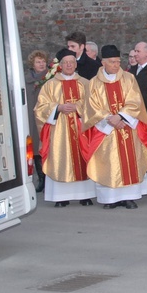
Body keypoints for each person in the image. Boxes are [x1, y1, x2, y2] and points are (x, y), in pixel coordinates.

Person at [84, 45, 147, 209]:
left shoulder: (129, 78)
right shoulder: (94, 83)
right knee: (109, 162)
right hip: (106, 130)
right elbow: (91, 106)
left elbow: (135, 100)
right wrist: (110, 119)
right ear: (103, 63)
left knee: (129, 161)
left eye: (118, 62)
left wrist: (121, 117)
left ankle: (129, 197)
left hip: (127, 126)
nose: (116, 65)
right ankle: (110, 199)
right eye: (112, 62)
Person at [34, 49, 96, 207]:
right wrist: (58, 107)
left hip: (80, 128)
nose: (69, 65)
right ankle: (60, 197)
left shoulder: (85, 83)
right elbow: (40, 108)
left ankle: (85, 195)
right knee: (60, 158)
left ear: (76, 64)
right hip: (59, 130)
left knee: (82, 157)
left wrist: (78, 106)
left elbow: (93, 104)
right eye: (65, 63)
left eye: (72, 62)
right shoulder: (50, 84)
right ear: (60, 65)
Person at [131, 41, 147, 194]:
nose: (135, 54)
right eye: (135, 51)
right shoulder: (133, 70)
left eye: (138, 51)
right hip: (134, 117)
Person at [25, 49, 49, 191]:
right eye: (38, 62)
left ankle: (47, 177)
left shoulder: (50, 77)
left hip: (44, 117)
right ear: (32, 64)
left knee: (44, 146)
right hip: (30, 116)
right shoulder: (27, 79)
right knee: (34, 148)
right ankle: (41, 178)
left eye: (43, 61)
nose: (41, 64)